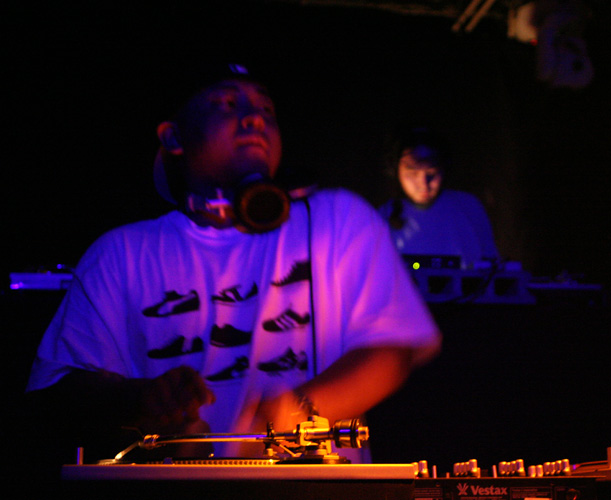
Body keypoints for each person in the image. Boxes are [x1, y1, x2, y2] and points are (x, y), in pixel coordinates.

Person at [24, 63, 441, 464]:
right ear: (173, 136)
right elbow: (57, 389)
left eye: (266, 109)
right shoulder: (122, 254)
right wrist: (141, 399)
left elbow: (392, 347)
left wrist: (291, 413)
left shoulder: (337, 220)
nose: (255, 118)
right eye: (226, 104)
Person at [378, 128, 500, 269]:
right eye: (413, 172)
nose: (423, 183)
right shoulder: (384, 216)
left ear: (443, 169)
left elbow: (492, 265)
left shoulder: (468, 207)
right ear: (395, 170)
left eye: (432, 172)